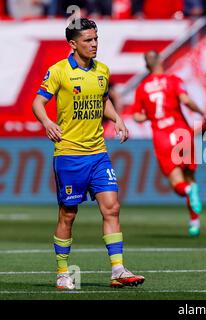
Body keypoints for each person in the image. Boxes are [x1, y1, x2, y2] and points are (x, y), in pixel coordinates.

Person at [32, 18, 145, 290]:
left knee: (112, 208)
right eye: (88, 40)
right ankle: (62, 273)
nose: (94, 44)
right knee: (68, 215)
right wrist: (47, 122)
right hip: (69, 154)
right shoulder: (59, 71)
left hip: (98, 153)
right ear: (73, 44)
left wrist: (117, 118)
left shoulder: (102, 71)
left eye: (96, 39)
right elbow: (38, 102)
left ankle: (117, 270)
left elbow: (102, 99)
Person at [133, 50, 206, 237]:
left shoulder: (142, 87)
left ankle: (189, 194)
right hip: (182, 132)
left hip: (163, 136)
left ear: (146, 66)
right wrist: (201, 112)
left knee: (178, 183)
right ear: (161, 61)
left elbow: (136, 116)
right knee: (190, 178)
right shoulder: (173, 80)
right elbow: (185, 100)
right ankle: (194, 223)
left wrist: (148, 116)